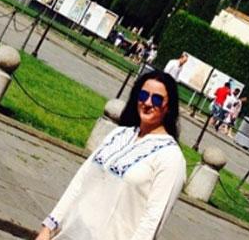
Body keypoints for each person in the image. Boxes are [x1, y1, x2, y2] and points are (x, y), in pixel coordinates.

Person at [35, 71, 186, 240]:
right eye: (143, 95)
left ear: (169, 106)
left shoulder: (170, 157)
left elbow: (153, 219)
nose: (148, 103)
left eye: (157, 99)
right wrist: (48, 227)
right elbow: (80, 180)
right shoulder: (119, 134)